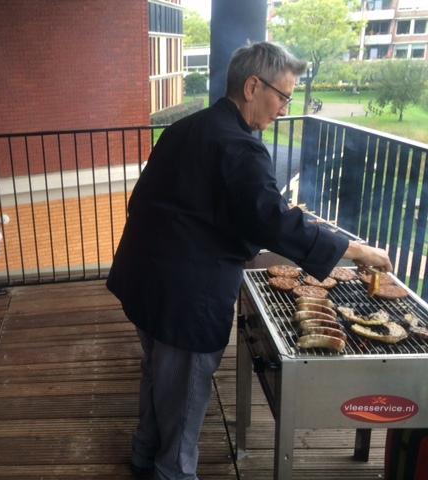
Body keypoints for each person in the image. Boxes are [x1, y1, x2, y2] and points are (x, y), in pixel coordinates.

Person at [105, 41, 392, 480]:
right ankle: (170, 473)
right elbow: (274, 223)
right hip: (187, 296)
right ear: (252, 86)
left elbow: (159, 201)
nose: (284, 108)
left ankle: (144, 456)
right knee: (183, 396)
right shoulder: (242, 147)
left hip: (143, 278)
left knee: (158, 375)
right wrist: (356, 250)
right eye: (283, 96)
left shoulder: (186, 127)